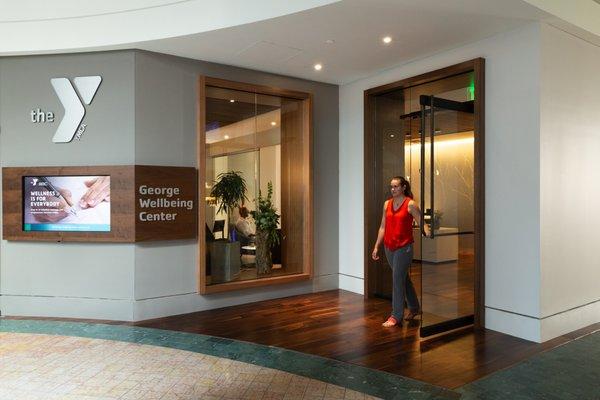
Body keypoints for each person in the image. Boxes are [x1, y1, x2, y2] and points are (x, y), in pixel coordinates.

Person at [371, 176, 431, 327]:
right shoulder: (387, 204)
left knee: (397, 279)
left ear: (403, 187)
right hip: (389, 246)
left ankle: (396, 315)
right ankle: (415, 308)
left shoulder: (410, 204)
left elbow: (421, 222)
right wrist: (377, 246)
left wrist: (428, 233)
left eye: (396, 186)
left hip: (404, 248)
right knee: (403, 278)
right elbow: (383, 227)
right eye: (391, 186)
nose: (393, 189)